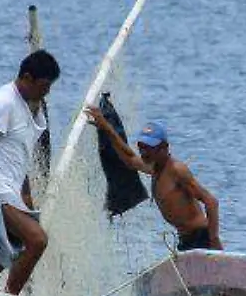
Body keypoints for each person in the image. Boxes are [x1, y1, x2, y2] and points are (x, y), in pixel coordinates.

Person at [0, 50, 60, 294]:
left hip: (8, 191)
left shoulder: (30, 106)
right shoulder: (4, 102)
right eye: (44, 86)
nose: (46, 92)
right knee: (37, 240)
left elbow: (18, 154)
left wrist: (25, 193)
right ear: (27, 78)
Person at [85, 107, 222, 251]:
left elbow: (211, 202)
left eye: (149, 148)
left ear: (164, 147)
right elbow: (129, 159)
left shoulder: (177, 170)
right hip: (185, 240)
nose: (144, 152)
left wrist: (214, 239)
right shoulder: (154, 168)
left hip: (201, 238)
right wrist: (106, 127)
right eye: (141, 147)